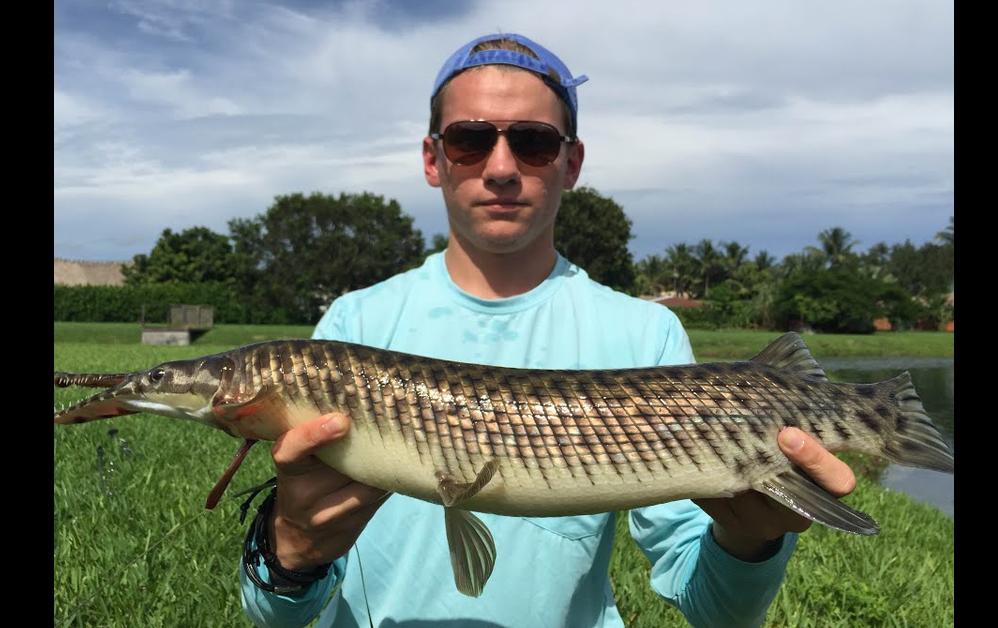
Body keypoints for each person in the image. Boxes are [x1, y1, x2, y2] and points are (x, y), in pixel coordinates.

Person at [240, 32, 856, 628]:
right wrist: (290, 551)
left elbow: (715, 611)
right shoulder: (353, 325)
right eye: (470, 140)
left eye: (533, 142)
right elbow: (273, 616)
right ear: (434, 159)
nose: (502, 167)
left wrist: (750, 541)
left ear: (572, 162)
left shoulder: (647, 334)